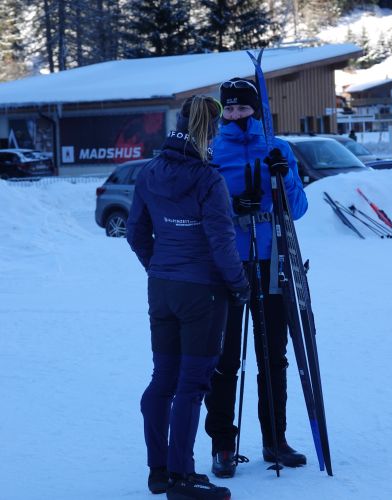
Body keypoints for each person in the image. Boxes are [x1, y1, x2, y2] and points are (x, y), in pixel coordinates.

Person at [126, 95, 250, 500]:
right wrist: (238, 283)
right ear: (208, 132)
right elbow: (221, 240)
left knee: (163, 379)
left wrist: (159, 266)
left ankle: (159, 471)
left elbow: (135, 233)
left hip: (162, 288)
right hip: (202, 292)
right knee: (192, 385)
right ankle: (182, 477)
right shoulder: (208, 178)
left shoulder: (149, 172)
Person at [204, 78, 309, 478]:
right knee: (226, 357)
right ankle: (222, 446)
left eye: (242, 108)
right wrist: (231, 207)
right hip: (229, 262)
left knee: (272, 357)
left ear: (256, 110)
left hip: (272, 262)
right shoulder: (213, 151)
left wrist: (285, 177)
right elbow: (202, 209)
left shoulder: (278, 147)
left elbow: (298, 209)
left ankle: (275, 439)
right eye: (229, 109)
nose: (235, 115)